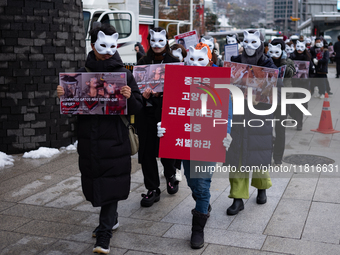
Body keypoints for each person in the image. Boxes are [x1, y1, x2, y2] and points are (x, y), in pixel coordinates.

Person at [57, 24, 143, 254]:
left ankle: (104, 232)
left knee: (110, 182)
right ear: (93, 43)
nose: (107, 51)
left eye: (111, 46)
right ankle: (111, 218)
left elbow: (138, 106)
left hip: (115, 138)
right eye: (102, 46)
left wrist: (129, 96)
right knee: (95, 182)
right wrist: (63, 96)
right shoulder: (81, 73)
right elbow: (72, 108)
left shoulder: (124, 73)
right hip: (89, 139)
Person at [157, 43, 233, 249]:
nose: (195, 63)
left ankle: (197, 228)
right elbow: (170, 108)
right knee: (192, 182)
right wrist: (163, 127)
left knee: (201, 184)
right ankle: (203, 202)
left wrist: (227, 132)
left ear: (209, 60)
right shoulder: (177, 79)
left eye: (201, 59)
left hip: (207, 141)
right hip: (184, 141)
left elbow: (226, 112)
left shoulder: (220, 81)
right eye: (191, 59)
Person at [224, 30, 277, 215]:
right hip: (238, 115)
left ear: (261, 43)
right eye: (246, 41)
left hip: (259, 116)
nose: (249, 45)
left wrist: (261, 97)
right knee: (237, 156)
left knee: (258, 153)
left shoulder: (268, 63)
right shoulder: (235, 61)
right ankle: (237, 198)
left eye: (254, 42)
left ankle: (262, 187)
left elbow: (277, 88)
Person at [136, 28, 181, 208]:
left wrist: (160, 95)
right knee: (147, 153)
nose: (156, 45)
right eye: (152, 41)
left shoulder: (175, 62)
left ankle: (171, 175)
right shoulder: (142, 62)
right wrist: (144, 96)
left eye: (160, 41)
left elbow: (180, 91)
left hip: (166, 114)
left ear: (167, 41)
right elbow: (135, 90)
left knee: (166, 150)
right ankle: (152, 188)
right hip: (146, 114)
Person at [267, 39, 296, 164]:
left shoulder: (288, 61)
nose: (274, 54)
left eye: (277, 51)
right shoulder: (266, 61)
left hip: (284, 100)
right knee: (267, 129)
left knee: (280, 130)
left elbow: (291, 72)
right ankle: (267, 154)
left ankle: (278, 157)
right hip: (268, 99)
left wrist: (283, 62)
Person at [290, 40, 314, 130]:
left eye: (301, 47)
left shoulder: (308, 58)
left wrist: (310, 84)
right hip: (293, 84)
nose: (299, 49)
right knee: (293, 104)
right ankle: (295, 117)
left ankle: (299, 123)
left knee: (303, 104)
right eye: (298, 47)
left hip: (304, 85)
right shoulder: (291, 57)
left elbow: (312, 73)